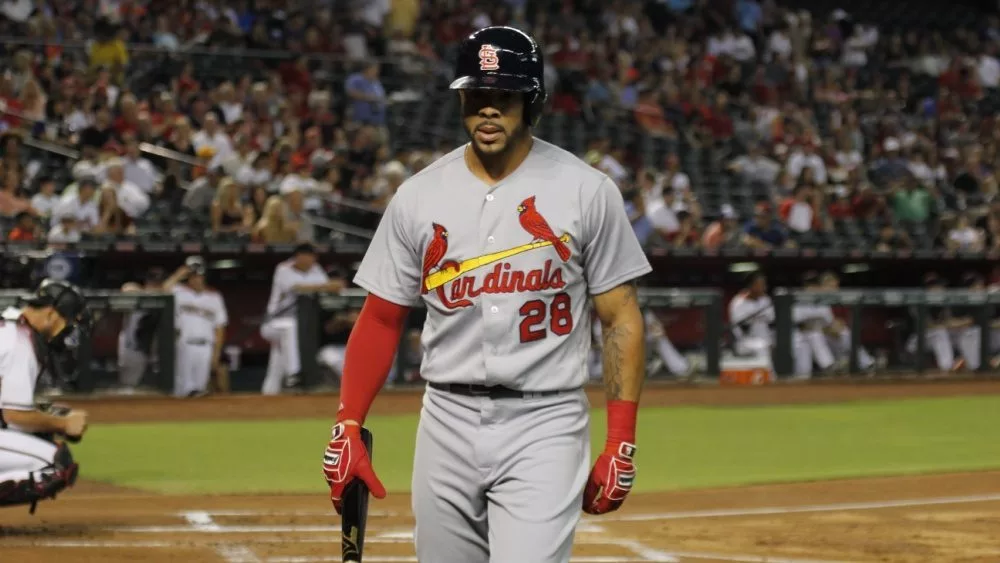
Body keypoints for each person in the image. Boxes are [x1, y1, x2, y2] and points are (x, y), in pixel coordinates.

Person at [321, 26, 650, 562]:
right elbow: (381, 319)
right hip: (445, 419)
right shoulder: (419, 195)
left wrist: (620, 442)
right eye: (476, 96)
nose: (488, 110)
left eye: (504, 96)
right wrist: (348, 422)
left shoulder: (587, 191)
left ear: (532, 100)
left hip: (545, 421)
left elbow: (620, 318)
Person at [0, 279, 90, 510]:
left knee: (39, 437)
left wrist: (42, 419)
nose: (68, 330)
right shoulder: (20, 339)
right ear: (51, 313)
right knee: (57, 464)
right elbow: (14, 416)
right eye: (67, 322)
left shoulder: (9, 327)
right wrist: (62, 424)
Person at [260, 243, 344, 395]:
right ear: (298, 257)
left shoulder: (316, 269)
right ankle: (294, 374)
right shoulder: (283, 268)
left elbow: (334, 287)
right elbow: (297, 287)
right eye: (306, 256)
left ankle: (269, 393)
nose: (310, 259)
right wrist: (323, 285)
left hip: (303, 324)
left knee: (278, 360)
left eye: (312, 256)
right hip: (274, 322)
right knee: (290, 327)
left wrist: (321, 286)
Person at [162, 257, 229, 397]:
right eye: (193, 276)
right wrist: (178, 274)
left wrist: (216, 352)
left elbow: (220, 326)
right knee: (183, 389)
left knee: (200, 389)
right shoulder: (179, 291)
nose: (196, 279)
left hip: (206, 346)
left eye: (199, 276)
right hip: (185, 344)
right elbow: (163, 291)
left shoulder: (214, 296)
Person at [116, 268, 166, 393]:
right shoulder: (137, 295)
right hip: (132, 349)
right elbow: (126, 288)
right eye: (152, 283)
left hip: (152, 351)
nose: (154, 286)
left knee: (153, 390)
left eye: (158, 284)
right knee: (128, 386)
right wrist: (147, 292)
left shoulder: (164, 297)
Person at [728, 271, 774, 366]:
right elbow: (738, 330)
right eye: (760, 285)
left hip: (766, 338)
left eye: (764, 285)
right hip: (745, 341)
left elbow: (772, 320)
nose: (764, 288)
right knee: (762, 347)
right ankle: (767, 378)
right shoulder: (738, 303)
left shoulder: (765, 300)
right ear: (751, 286)